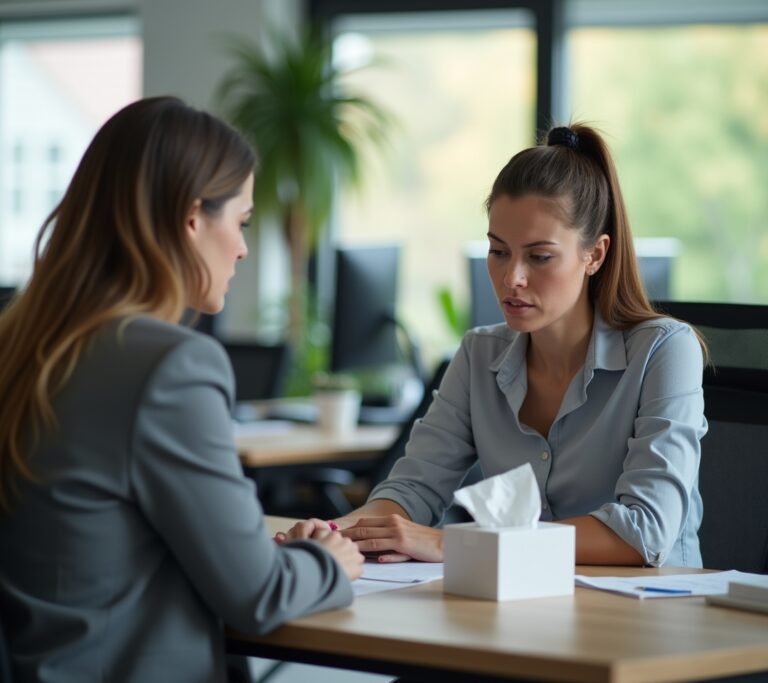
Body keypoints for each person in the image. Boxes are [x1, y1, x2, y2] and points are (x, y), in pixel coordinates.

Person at [0, 96, 363, 683]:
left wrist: (271, 553)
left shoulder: (20, 343)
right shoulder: (168, 366)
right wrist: (326, 561)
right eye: (241, 222)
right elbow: (258, 594)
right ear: (192, 217)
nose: (244, 248)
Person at [280, 123, 707, 568]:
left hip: (651, 615)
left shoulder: (665, 351)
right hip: (525, 605)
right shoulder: (479, 354)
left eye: (539, 257)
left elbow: (646, 530)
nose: (511, 278)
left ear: (594, 255)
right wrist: (333, 536)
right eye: (499, 251)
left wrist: (451, 545)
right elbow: (412, 491)